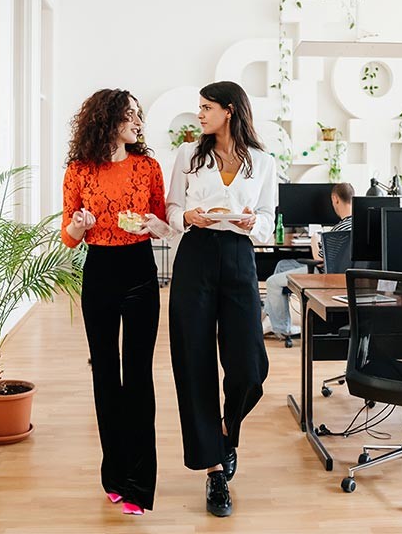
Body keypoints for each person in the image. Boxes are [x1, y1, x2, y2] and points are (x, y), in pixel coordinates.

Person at [165, 81, 276, 517]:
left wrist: (253, 225)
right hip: (195, 255)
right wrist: (186, 216)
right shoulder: (188, 156)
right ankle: (214, 472)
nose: (200, 115)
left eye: (206, 108)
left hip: (238, 254)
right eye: (199, 108)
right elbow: (173, 210)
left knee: (250, 365)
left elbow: (268, 217)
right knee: (193, 362)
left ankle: (227, 429)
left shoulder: (263, 162)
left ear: (229, 111)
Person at [61, 88, 168, 516]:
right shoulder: (78, 170)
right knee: (106, 374)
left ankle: (141, 486)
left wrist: (152, 223)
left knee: (138, 376)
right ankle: (115, 475)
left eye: (139, 116)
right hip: (100, 271)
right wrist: (79, 224)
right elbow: (68, 239)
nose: (138, 123)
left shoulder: (148, 167)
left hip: (140, 270)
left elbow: (162, 227)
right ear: (107, 120)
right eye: (130, 116)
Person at [263, 182, 354, 338]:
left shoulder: (339, 228)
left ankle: (283, 329)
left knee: (272, 282)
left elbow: (319, 259)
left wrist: (313, 240)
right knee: (282, 265)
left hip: (324, 275)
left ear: (335, 199)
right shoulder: (355, 224)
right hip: (343, 273)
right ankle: (273, 317)